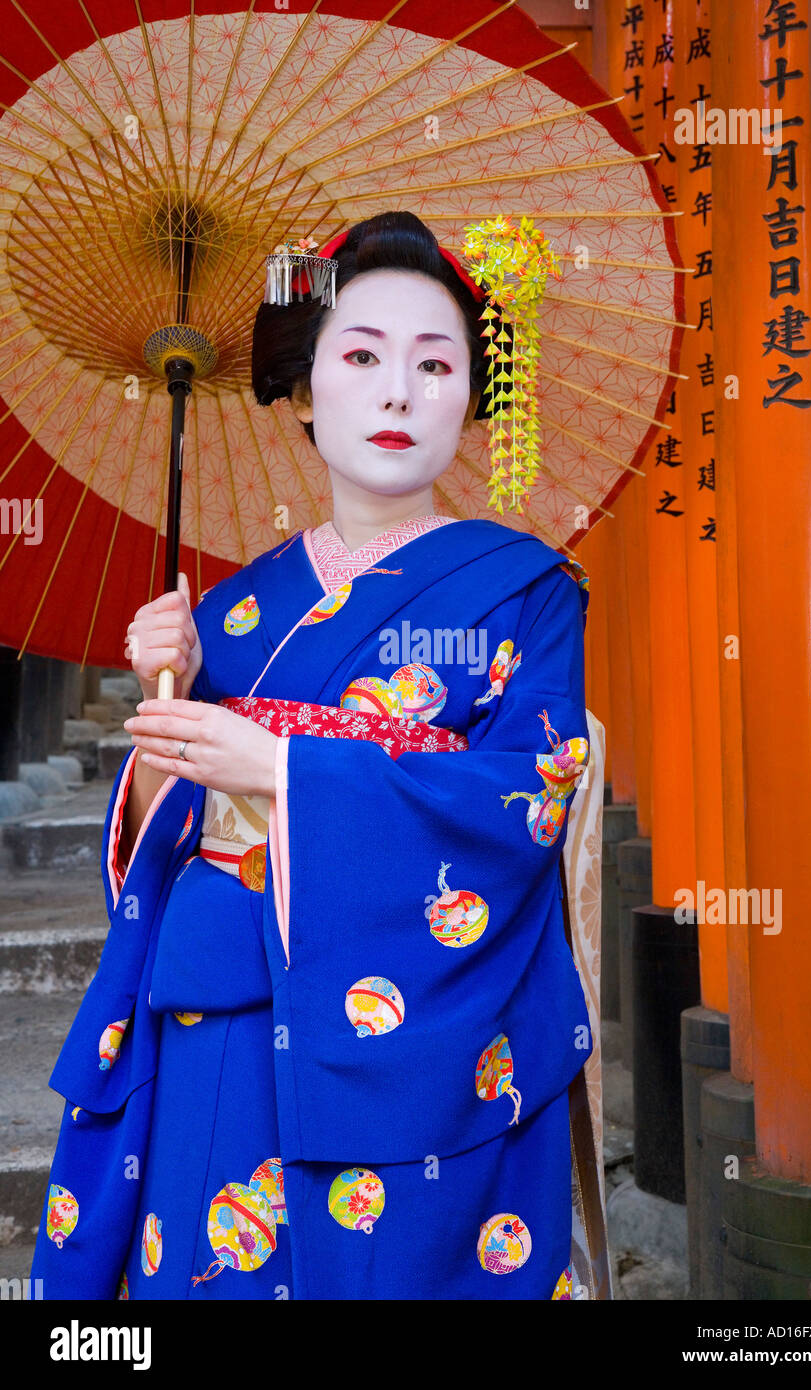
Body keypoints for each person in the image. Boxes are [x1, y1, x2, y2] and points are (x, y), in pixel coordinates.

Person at [32, 210, 607, 1300]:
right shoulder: (236, 613)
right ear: (303, 390)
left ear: (472, 397)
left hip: (426, 1035)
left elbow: (529, 792)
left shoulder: (527, 593)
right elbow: (166, 842)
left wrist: (286, 772)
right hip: (228, 1014)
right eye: (361, 356)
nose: (399, 392)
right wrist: (172, 708)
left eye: (436, 364)